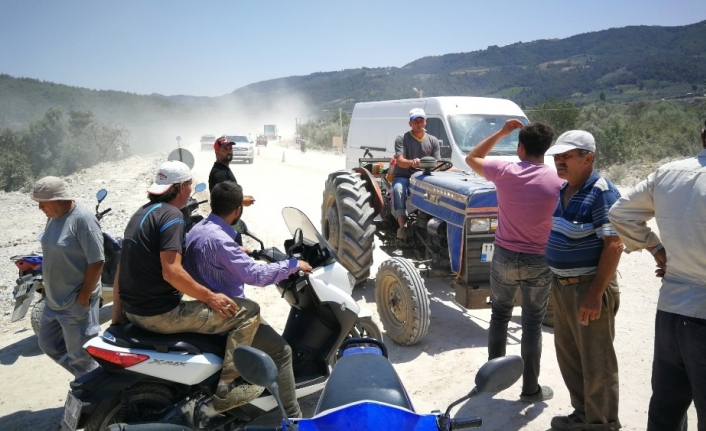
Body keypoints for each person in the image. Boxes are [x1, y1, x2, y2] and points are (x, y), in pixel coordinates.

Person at [111, 160, 263, 413]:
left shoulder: (140, 214)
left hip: (133, 312)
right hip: (160, 314)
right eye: (190, 185)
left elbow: (119, 271)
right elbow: (172, 272)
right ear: (181, 187)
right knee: (248, 312)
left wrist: (117, 317)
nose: (191, 190)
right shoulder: (172, 216)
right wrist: (210, 297)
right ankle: (227, 387)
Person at [183, 181, 312, 418]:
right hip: (228, 314)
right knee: (282, 351)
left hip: (202, 310)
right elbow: (255, 275)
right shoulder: (221, 240)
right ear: (237, 210)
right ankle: (293, 418)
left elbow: (211, 254)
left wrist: (238, 252)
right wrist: (293, 264)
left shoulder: (198, 230)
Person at [608, 120, 706, 431]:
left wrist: (654, 248)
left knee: (665, 409)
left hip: (671, 311)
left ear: (702, 135)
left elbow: (620, 213)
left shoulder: (669, 173)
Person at [465, 120, 562, 403]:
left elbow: (472, 158)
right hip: (539, 260)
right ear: (545, 150)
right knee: (532, 323)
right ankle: (530, 389)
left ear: (520, 148)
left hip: (504, 256)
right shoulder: (558, 181)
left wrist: (501, 132)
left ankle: (493, 382)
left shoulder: (504, 171)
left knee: (499, 315)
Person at [544, 131, 624, 430]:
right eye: (557, 156)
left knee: (596, 363)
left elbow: (614, 245)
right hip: (563, 287)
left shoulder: (601, 191)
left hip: (588, 288)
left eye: (567, 156)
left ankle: (602, 424)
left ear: (588, 158)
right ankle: (582, 416)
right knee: (571, 357)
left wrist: (594, 295)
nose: (559, 161)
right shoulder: (566, 189)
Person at [30, 176, 104, 378]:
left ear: (58, 199)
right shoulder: (53, 217)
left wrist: (82, 298)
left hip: (74, 304)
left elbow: (97, 261)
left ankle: (91, 395)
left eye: (42, 203)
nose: (40, 208)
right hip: (53, 302)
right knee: (49, 344)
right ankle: (90, 381)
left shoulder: (83, 220)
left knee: (82, 358)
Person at [392, 108, 440, 239]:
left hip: (424, 176)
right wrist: (411, 162)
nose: (419, 124)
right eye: (415, 121)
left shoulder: (433, 140)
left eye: (421, 120)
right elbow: (400, 162)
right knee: (398, 190)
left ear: (425, 122)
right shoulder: (402, 139)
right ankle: (403, 227)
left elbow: (437, 163)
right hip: (404, 175)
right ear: (410, 123)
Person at [209, 136, 256, 206]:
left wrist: (241, 197)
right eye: (225, 149)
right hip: (223, 217)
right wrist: (241, 201)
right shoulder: (219, 173)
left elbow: (228, 193)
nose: (229, 151)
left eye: (230, 148)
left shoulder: (224, 169)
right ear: (217, 152)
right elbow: (220, 199)